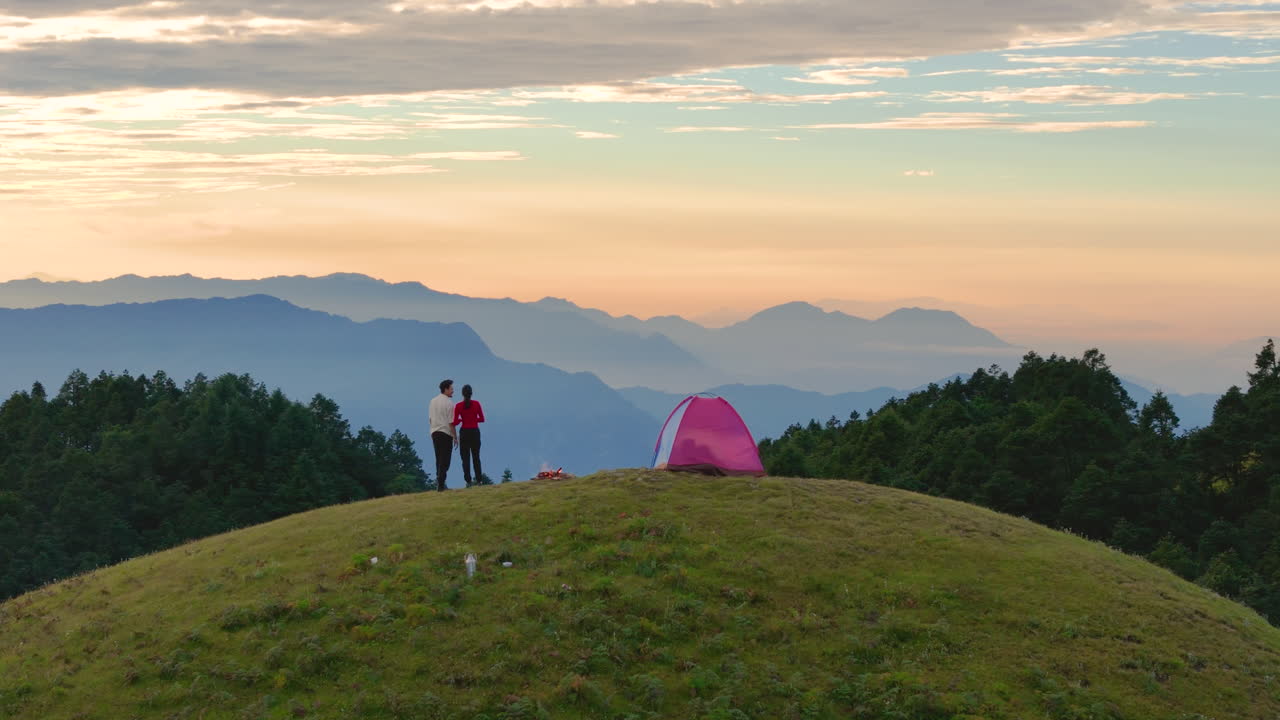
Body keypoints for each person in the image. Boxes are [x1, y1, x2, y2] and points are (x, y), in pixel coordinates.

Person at [453, 384, 486, 486]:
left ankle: (468, 481)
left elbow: (455, 422)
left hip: (464, 433)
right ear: (471, 393)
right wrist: (473, 419)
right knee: (476, 457)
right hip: (475, 432)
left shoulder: (458, 406)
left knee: (465, 458)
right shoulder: (476, 404)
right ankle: (479, 480)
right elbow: (482, 419)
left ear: (462, 394)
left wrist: (462, 419)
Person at [428, 379, 457, 491]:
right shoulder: (449, 403)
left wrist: (432, 430)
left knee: (438, 458)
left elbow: (430, 419)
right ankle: (441, 484)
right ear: (446, 389)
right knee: (445, 460)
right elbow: (451, 422)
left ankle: (440, 482)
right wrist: (455, 436)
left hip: (435, 432)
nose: (453, 391)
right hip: (445, 433)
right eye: (451, 389)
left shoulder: (432, 401)